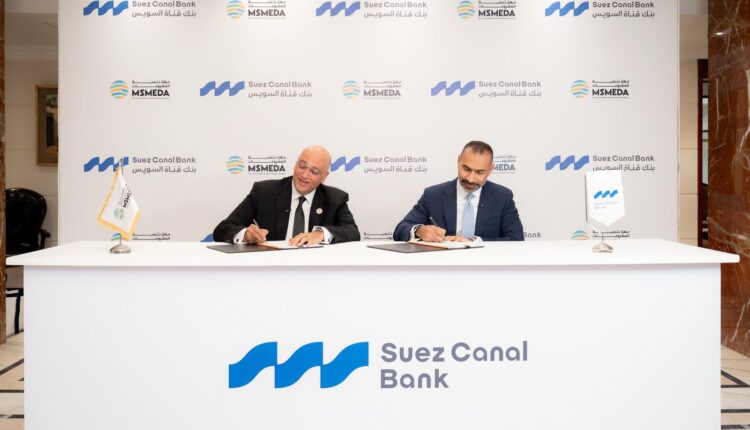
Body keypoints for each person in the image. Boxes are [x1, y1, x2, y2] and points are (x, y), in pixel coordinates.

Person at [213, 146, 360, 246]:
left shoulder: (335, 198)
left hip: (315, 270)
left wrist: (320, 234)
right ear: (295, 165)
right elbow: (223, 229)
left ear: (324, 176)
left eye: (314, 171)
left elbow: (353, 232)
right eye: (302, 166)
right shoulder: (263, 191)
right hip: (271, 268)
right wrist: (245, 234)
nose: (304, 175)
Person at [393, 141, 523, 242]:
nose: (470, 179)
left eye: (479, 172)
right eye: (466, 169)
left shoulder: (503, 197)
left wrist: (474, 241)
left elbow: (516, 239)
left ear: (490, 169)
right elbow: (400, 230)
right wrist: (419, 230)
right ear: (458, 161)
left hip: (486, 266)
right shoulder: (433, 195)